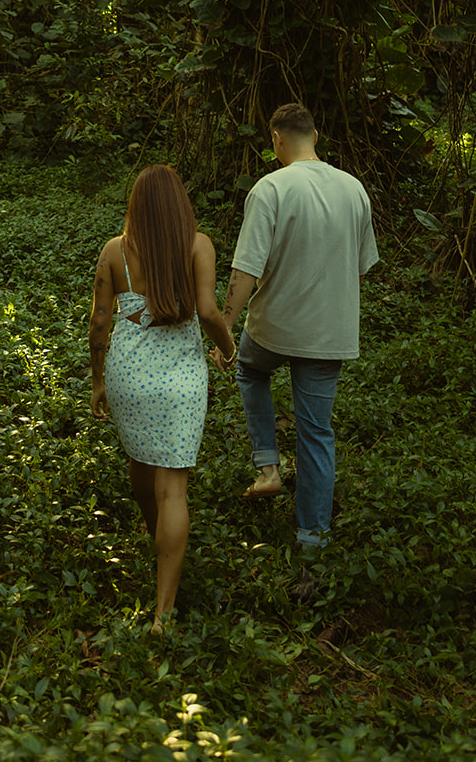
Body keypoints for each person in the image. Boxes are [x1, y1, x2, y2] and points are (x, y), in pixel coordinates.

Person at [213, 103, 378, 585]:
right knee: (317, 432)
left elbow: (245, 271)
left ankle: (267, 466)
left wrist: (224, 330)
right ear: (316, 135)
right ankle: (314, 541)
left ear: (276, 139)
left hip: (275, 328)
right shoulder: (353, 188)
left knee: (249, 368)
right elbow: (363, 263)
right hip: (330, 334)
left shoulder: (271, 188)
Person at [89, 164, 236, 633]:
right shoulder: (198, 245)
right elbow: (209, 311)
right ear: (179, 204)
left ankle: (161, 542)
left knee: (140, 467)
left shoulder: (115, 251)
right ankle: (163, 612)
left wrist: (97, 382)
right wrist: (229, 348)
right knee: (172, 487)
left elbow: (99, 322)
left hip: (127, 377)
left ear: (135, 205)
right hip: (180, 382)